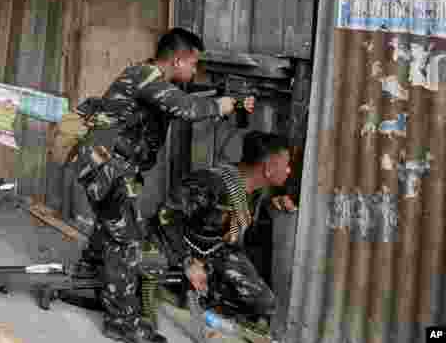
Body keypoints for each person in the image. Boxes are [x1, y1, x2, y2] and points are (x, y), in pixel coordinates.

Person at [72, 28, 254, 343]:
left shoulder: (155, 81)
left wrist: (233, 102)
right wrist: (220, 106)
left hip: (112, 168)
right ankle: (122, 323)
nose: (195, 71)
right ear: (178, 59)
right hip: (108, 167)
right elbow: (186, 108)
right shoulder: (145, 76)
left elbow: (185, 98)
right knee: (125, 243)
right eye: (193, 64)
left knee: (111, 227)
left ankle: (86, 280)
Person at [153, 131, 298, 325]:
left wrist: (271, 207)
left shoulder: (254, 192)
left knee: (264, 303)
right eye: (286, 164)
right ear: (269, 167)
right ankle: (179, 290)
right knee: (146, 268)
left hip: (216, 250)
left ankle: (204, 297)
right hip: (179, 244)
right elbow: (166, 216)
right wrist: (187, 261)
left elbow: (237, 230)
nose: (288, 170)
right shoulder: (210, 183)